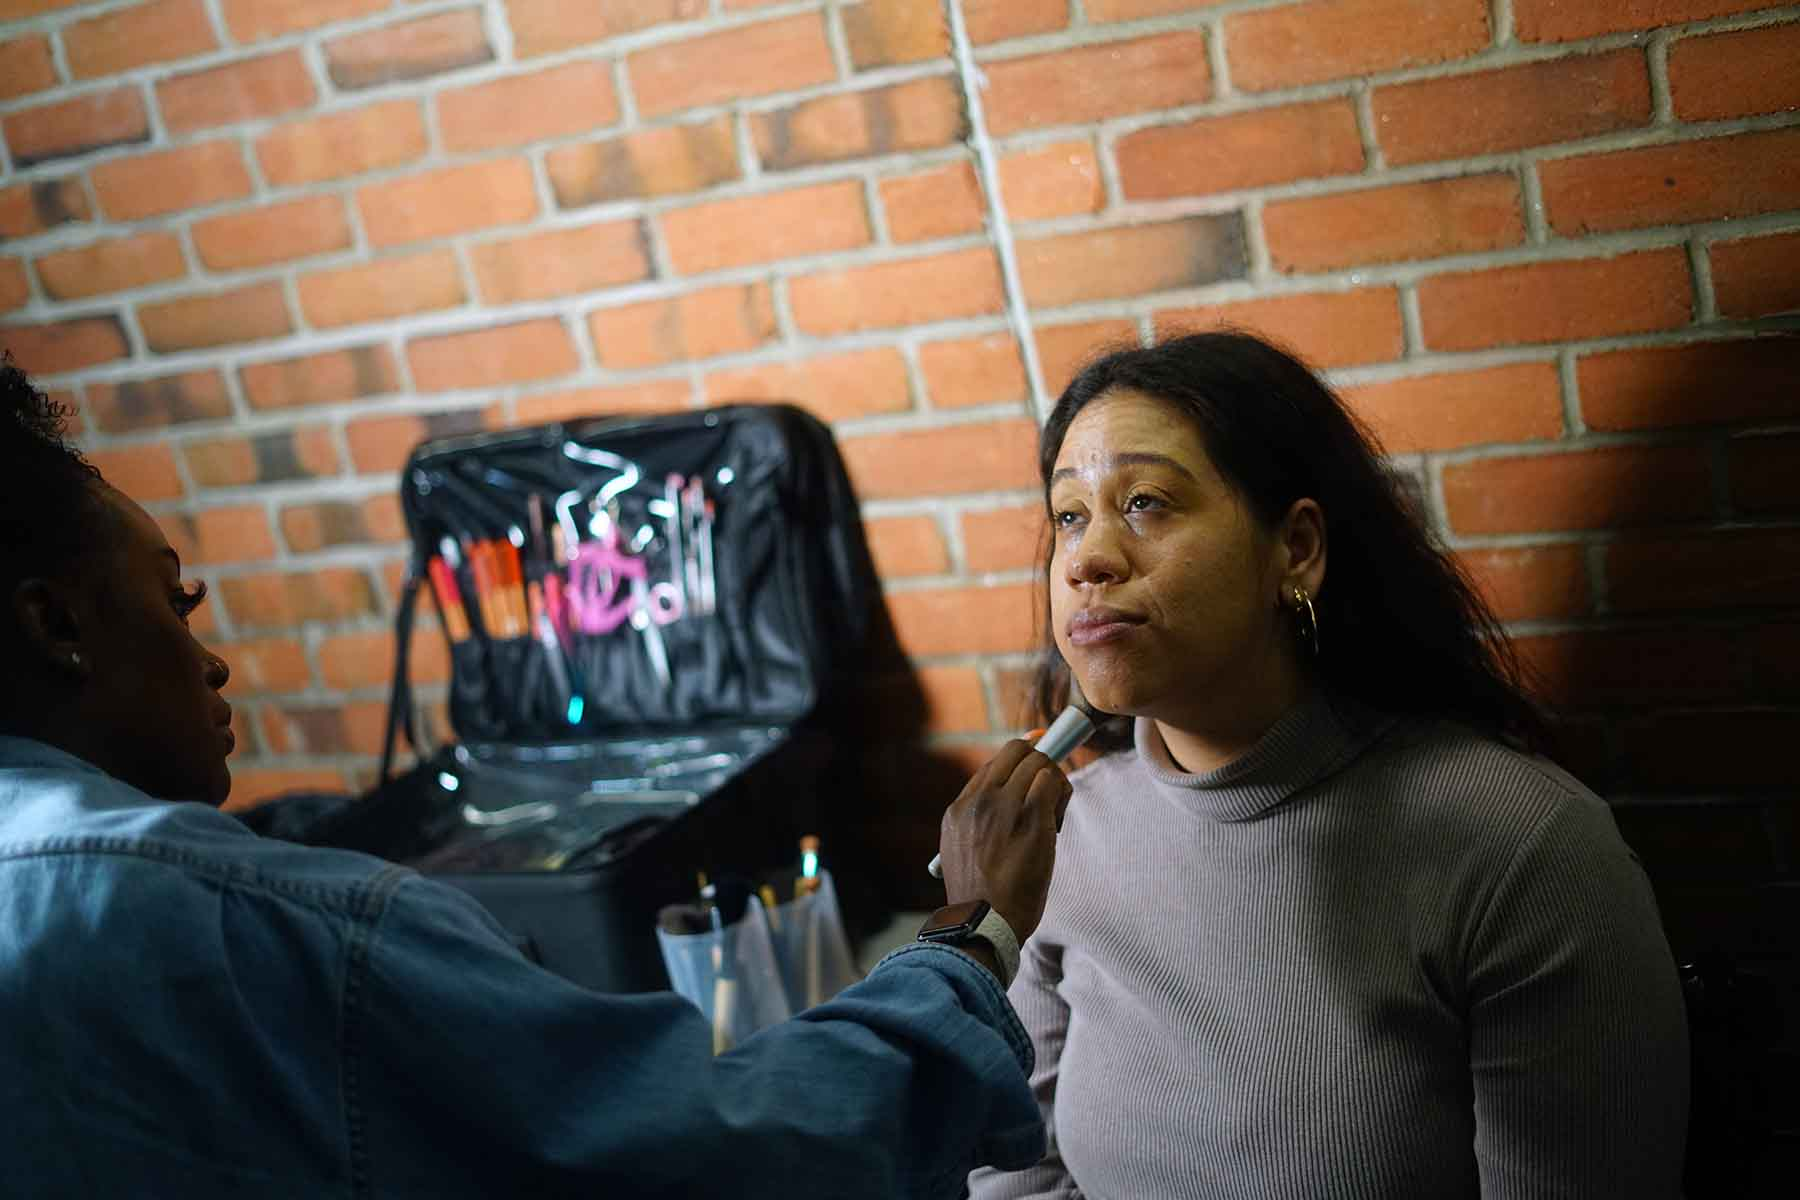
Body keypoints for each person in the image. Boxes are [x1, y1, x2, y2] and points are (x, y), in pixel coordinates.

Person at [0, 354, 1072, 1198]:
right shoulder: (288, 933)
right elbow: (741, 1157)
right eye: (175, 601)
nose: (213, 660)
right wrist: (969, 935)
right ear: (54, 623)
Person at [964, 332, 1690, 1199]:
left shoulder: (1524, 849)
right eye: (1069, 516)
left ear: (1297, 548)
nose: (1087, 560)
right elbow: (1017, 1173)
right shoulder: (1056, 844)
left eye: (1147, 502)